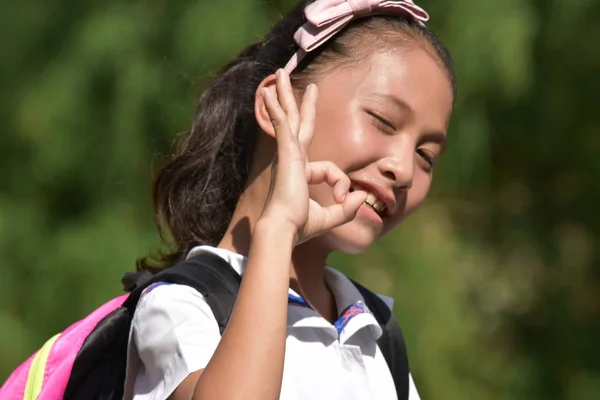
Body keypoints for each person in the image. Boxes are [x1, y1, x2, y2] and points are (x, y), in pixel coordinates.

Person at [123, 0, 456, 399]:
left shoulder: (376, 332)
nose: (403, 169)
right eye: (383, 120)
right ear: (276, 104)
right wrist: (279, 229)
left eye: (426, 156)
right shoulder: (183, 306)